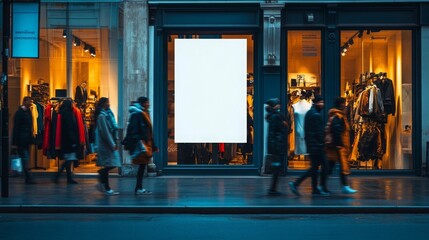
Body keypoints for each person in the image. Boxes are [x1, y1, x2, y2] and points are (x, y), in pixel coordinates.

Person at [289, 95, 329, 196]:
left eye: (323, 102)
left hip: (311, 144)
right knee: (324, 166)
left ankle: (314, 189)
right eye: (321, 102)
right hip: (316, 145)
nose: (322, 104)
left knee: (314, 168)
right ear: (316, 103)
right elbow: (318, 132)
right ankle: (318, 187)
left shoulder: (310, 112)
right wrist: (322, 143)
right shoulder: (315, 115)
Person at [125, 97, 158, 195]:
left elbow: (149, 130)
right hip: (142, 144)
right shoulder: (137, 114)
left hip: (146, 143)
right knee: (142, 166)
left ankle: (139, 187)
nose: (149, 104)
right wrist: (139, 142)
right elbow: (135, 130)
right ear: (143, 103)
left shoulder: (144, 112)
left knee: (142, 166)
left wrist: (153, 145)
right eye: (147, 102)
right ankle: (138, 188)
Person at [325, 97, 358, 194]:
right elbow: (337, 131)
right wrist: (339, 144)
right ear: (341, 105)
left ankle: (343, 186)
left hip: (338, 146)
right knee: (341, 166)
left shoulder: (340, 115)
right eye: (344, 103)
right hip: (338, 147)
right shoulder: (338, 116)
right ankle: (344, 186)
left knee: (332, 167)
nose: (346, 105)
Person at [94, 97, 122, 195]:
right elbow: (105, 132)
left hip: (108, 144)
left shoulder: (107, 114)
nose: (109, 104)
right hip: (105, 145)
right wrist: (112, 144)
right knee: (111, 164)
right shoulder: (102, 116)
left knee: (111, 164)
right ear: (103, 104)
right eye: (107, 102)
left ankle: (106, 187)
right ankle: (107, 187)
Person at [54, 99, 84, 184]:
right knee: (68, 160)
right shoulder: (68, 114)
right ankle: (59, 175)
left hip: (66, 140)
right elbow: (70, 128)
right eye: (72, 103)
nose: (73, 104)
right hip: (69, 141)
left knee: (69, 159)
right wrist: (74, 141)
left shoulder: (64, 113)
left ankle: (67, 178)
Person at [265, 98, 289, 195]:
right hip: (277, 147)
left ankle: (273, 188)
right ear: (274, 106)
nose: (279, 105)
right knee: (276, 168)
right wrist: (278, 146)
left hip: (276, 146)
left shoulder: (275, 116)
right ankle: (272, 189)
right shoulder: (276, 117)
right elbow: (275, 134)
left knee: (276, 168)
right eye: (277, 104)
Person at [12, 96, 37, 184]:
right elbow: (16, 128)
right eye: (30, 101)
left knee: (26, 158)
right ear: (25, 101)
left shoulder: (28, 112)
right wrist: (14, 143)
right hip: (21, 140)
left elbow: (29, 126)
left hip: (26, 139)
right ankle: (28, 177)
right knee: (25, 158)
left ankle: (27, 177)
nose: (31, 103)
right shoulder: (19, 113)